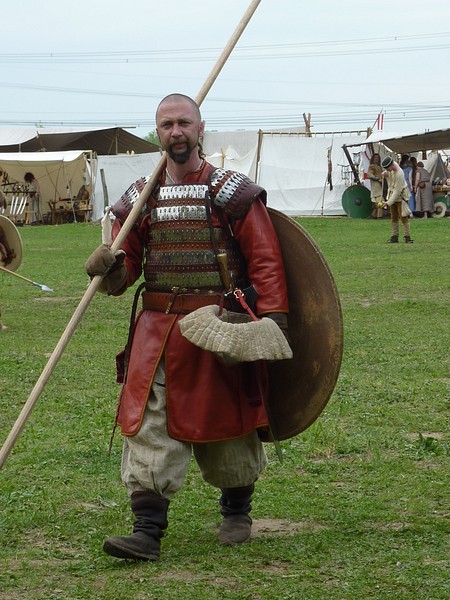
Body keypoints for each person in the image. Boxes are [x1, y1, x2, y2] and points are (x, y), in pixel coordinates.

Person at [85, 93, 290, 562]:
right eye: (166, 125)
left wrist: (272, 322)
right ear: (157, 133)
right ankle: (146, 531)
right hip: (157, 331)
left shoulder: (232, 192)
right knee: (148, 425)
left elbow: (264, 257)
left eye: (183, 123)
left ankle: (236, 511)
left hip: (219, 328)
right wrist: (110, 268)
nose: (175, 132)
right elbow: (127, 266)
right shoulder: (141, 197)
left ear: (200, 129)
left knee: (229, 424)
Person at [380, 156, 413, 243]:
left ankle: (407, 237)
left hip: (401, 197)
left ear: (391, 166)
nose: (387, 170)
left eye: (387, 169)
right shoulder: (391, 169)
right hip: (392, 195)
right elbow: (390, 181)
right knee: (393, 217)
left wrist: (387, 203)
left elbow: (397, 192)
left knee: (403, 217)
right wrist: (386, 175)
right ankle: (394, 236)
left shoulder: (399, 174)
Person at [367, 153, 383, 218]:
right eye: (375, 158)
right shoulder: (372, 166)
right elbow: (369, 175)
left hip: (380, 187)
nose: (377, 159)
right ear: (373, 159)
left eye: (378, 158)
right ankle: (378, 216)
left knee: (378, 203)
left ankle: (375, 215)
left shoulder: (379, 167)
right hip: (375, 187)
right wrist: (377, 179)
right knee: (378, 203)